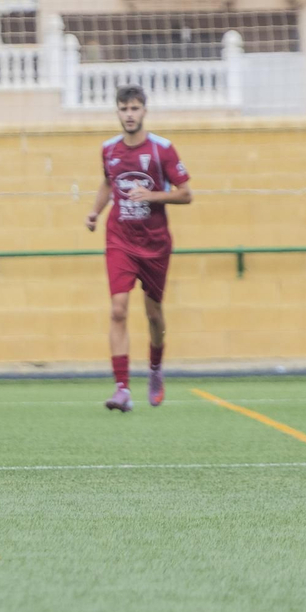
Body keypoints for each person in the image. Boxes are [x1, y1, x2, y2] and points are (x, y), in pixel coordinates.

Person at [85, 84, 191, 412]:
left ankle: (156, 369)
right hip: (119, 239)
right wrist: (95, 211)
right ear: (117, 112)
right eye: (123, 109)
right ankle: (122, 389)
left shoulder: (162, 150)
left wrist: (153, 195)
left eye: (134, 109)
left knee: (153, 314)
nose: (129, 115)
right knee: (117, 309)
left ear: (144, 111)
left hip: (155, 243)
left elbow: (185, 193)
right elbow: (108, 182)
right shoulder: (109, 149)